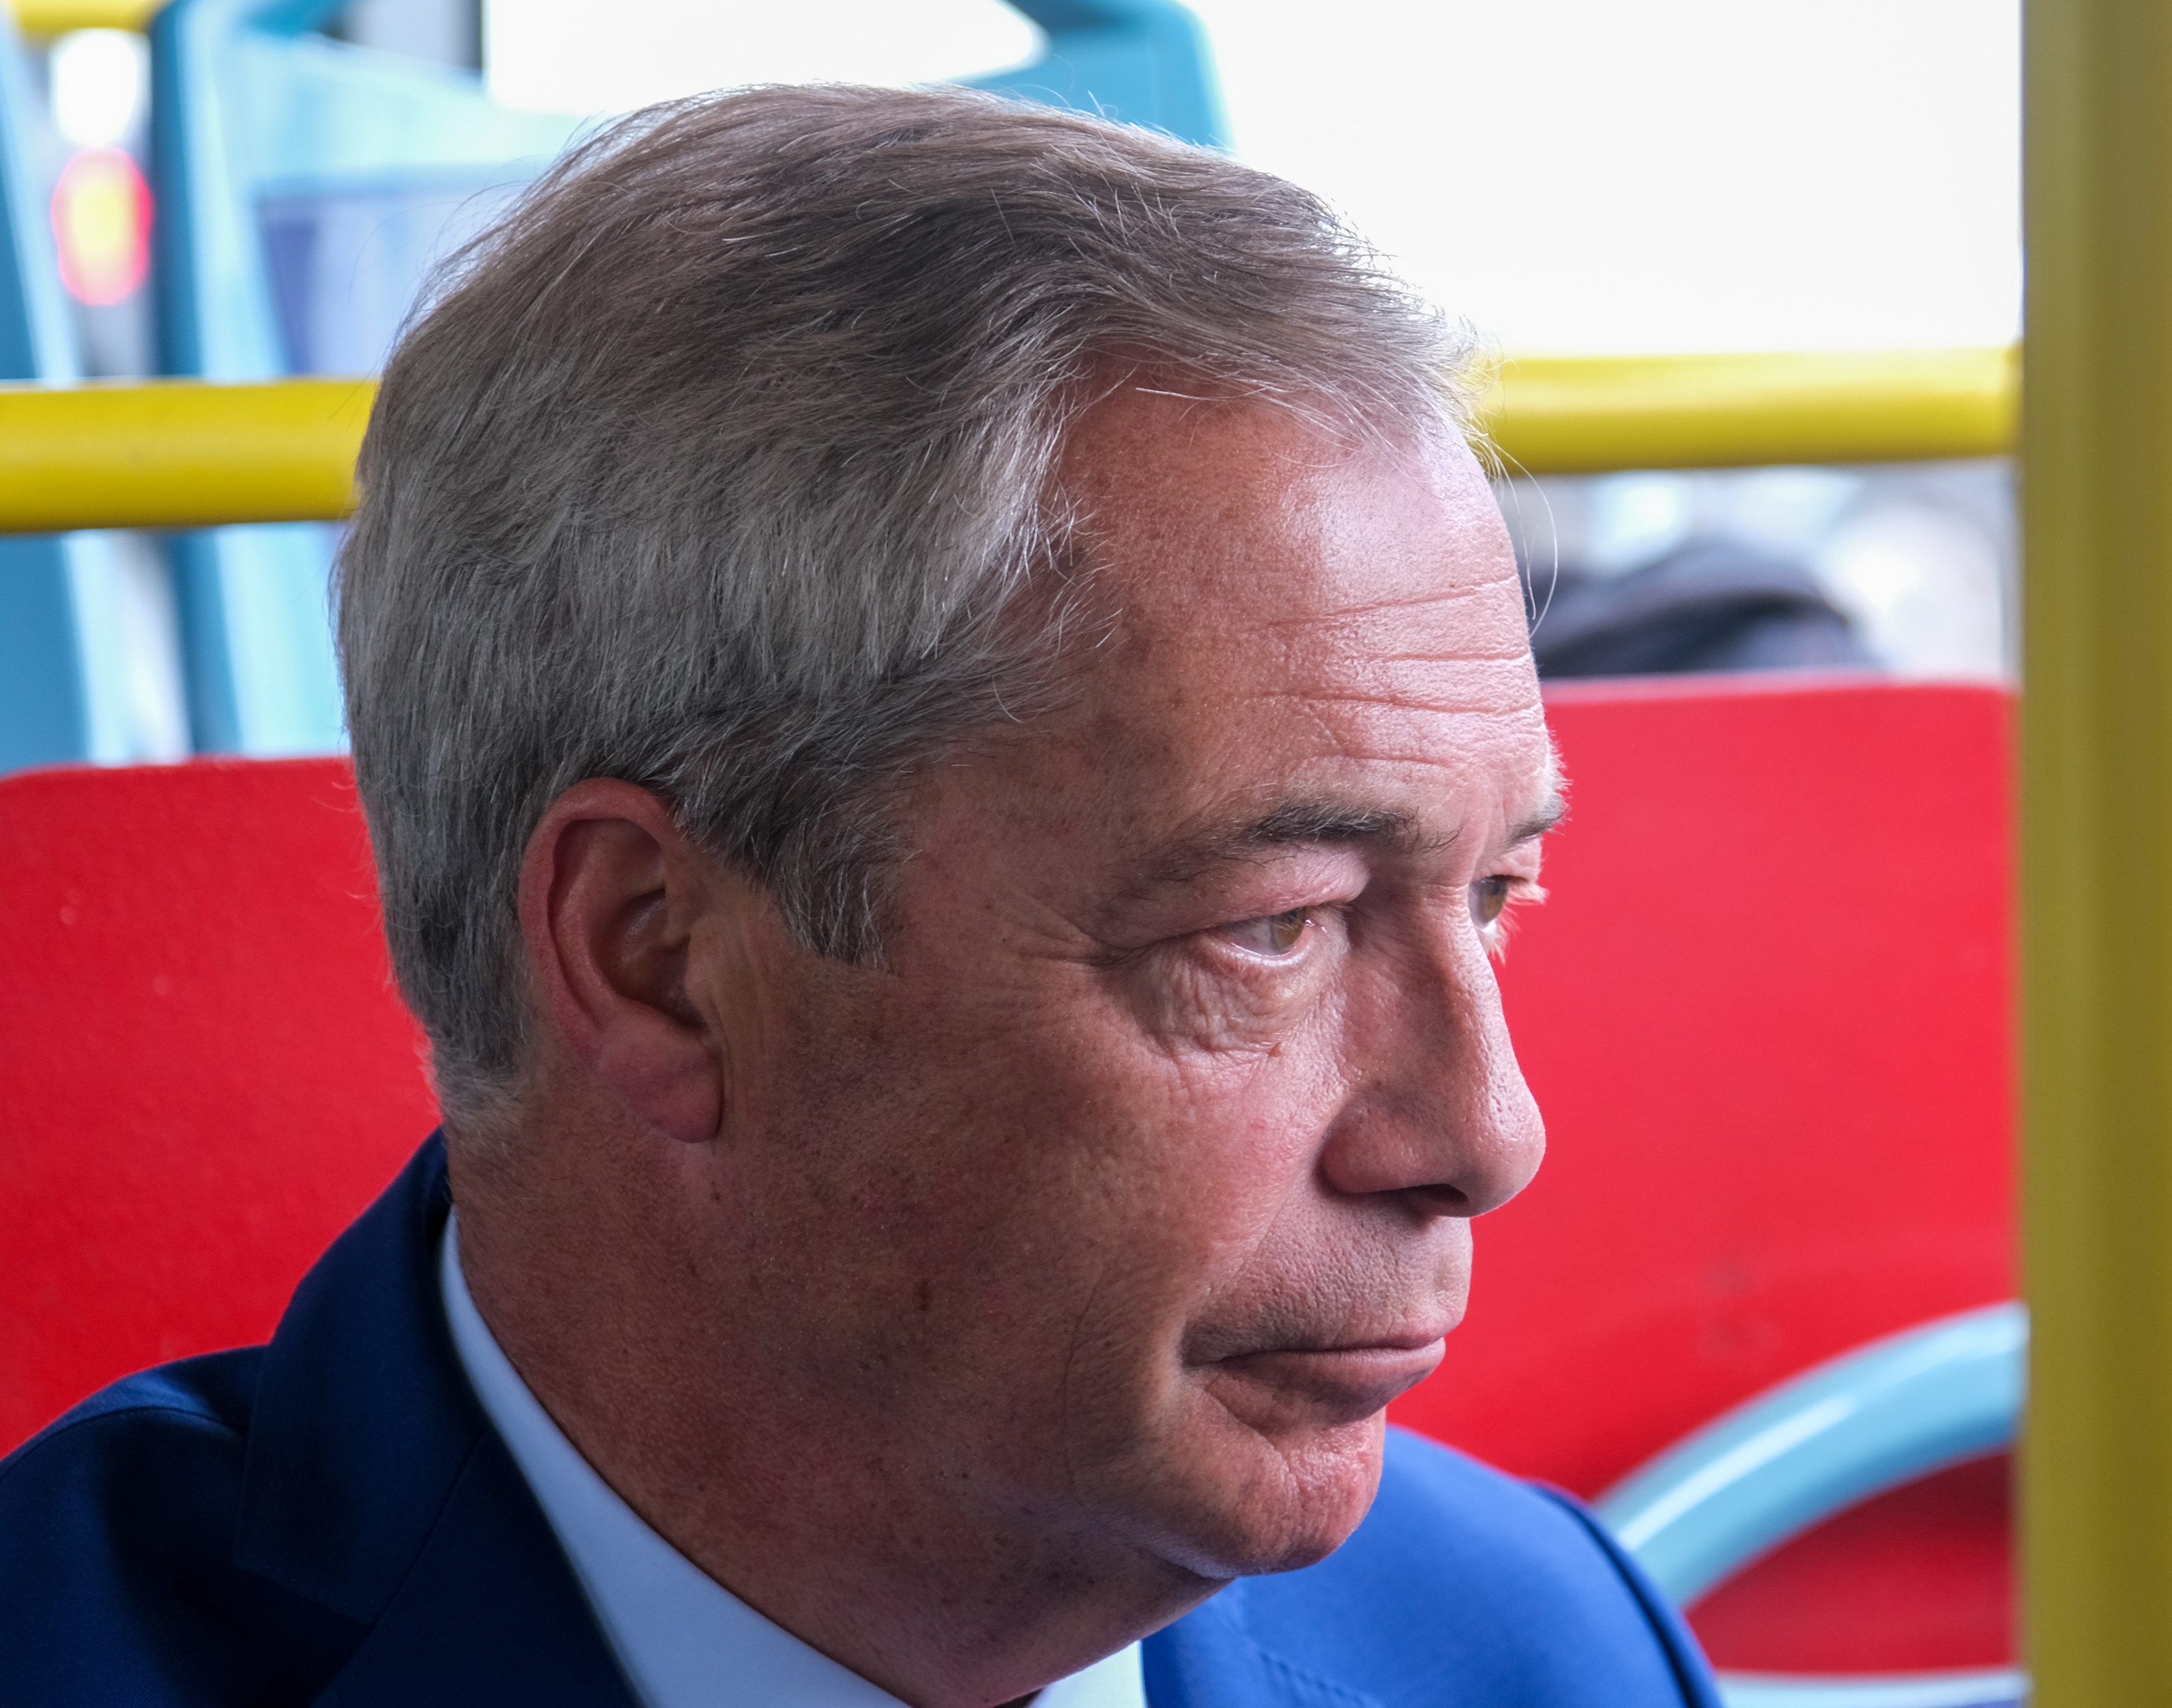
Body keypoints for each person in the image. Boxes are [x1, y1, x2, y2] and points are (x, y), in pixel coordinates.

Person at [0, 85, 1718, 1708]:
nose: (1485, 1133)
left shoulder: (1547, 1647)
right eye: (1274, 925)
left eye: (1494, 893)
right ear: (660, 960)